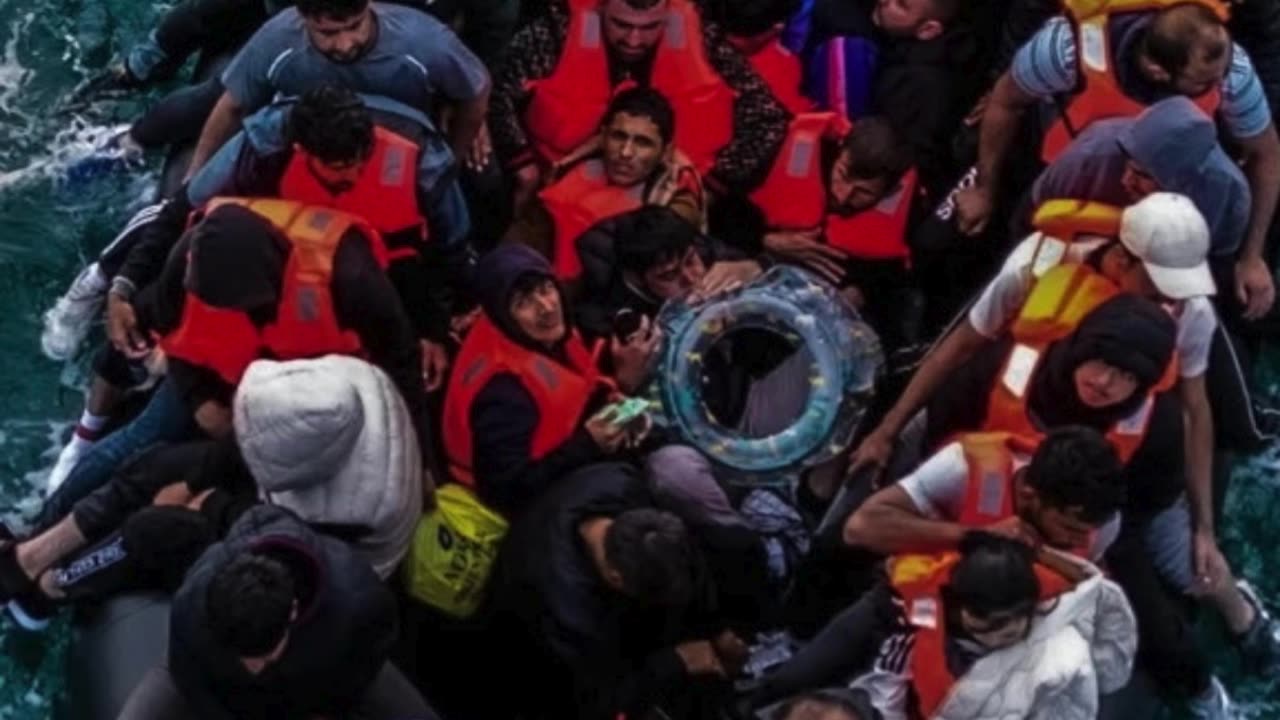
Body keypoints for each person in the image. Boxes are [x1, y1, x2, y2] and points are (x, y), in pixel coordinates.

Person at [0, 356, 423, 630]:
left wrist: (212, 506)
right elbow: (259, 439)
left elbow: (286, 529)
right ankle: (33, 553)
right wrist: (192, 479)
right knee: (160, 464)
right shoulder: (341, 385)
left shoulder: (358, 503)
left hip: (311, 538)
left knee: (156, 528)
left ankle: (50, 591)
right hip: (303, 471)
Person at [108, 85, 468, 388]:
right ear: (302, 152)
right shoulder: (261, 151)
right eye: (342, 167)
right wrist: (123, 287)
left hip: (378, 286)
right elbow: (180, 209)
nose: (358, 174)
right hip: (271, 280)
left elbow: (448, 251)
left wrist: (433, 331)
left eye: (364, 159)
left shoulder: (424, 164)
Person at [958, 0, 1279, 320]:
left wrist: (1252, 256)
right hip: (1069, 183)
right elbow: (1005, 102)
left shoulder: (1228, 68)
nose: (1217, 85)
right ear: (1158, 70)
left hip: (1167, 205)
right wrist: (985, 190)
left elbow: (1265, 153)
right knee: (1018, 283)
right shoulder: (1065, 47)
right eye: (1202, 83)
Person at [114, 504, 436, 720]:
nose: (251, 668)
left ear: (292, 611)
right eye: (241, 655)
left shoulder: (357, 604)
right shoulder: (192, 602)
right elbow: (191, 679)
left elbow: (364, 668)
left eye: (262, 656)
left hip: (326, 680)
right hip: (222, 692)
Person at [488, 462, 756, 720]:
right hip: (531, 669)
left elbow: (685, 561)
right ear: (616, 580)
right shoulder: (570, 618)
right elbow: (595, 700)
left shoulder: (618, 483)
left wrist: (715, 627)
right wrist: (676, 661)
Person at [487, 0, 789, 212]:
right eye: (621, 24)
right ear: (602, 6)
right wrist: (521, 164)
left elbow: (767, 118)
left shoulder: (701, 36)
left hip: (665, 200)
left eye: (648, 28)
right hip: (557, 184)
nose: (633, 40)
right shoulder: (552, 33)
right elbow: (498, 94)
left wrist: (714, 187)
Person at [441, 244, 659, 517]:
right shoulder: (505, 394)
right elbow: (503, 493)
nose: (546, 307)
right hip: (518, 508)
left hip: (558, 455)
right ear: (503, 315)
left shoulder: (537, 332)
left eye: (546, 288)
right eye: (523, 303)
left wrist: (615, 392)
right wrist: (587, 445)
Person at [187, 0, 490, 176]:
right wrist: (192, 179)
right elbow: (233, 106)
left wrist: (453, 156)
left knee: (486, 182)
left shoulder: (425, 42)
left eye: (354, 27)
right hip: (314, 149)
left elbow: (476, 89)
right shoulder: (277, 39)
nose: (345, 45)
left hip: (402, 150)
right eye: (328, 33)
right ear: (303, 19)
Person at [851, 533, 1134, 720]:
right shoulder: (915, 633)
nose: (1003, 631)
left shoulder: (1059, 628)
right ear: (959, 607)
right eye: (990, 621)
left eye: (1013, 618)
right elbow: (885, 695)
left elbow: (1099, 603)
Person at [753, 115, 922, 349]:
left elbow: (897, 275)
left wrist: (860, 293)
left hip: (834, 315)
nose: (843, 196)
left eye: (863, 192)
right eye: (841, 174)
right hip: (766, 279)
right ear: (840, 150)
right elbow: (729, 217)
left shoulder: (911, 208)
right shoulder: (784, 147)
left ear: (889, 191)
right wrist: (767, 241)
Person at [845, 426, 1126, 562]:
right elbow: (860, 528)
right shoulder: (960, 468)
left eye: (1088, 531)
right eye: (1067, 527)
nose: (1079, 540)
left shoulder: (1106, 523)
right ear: (1030, 495)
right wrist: (978, 537)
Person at [510, 86, 706, 281]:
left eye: (643, 142)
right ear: (603, 137)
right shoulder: (570, 172)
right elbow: (525, 236)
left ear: (665, 152)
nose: (626, 153)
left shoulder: (677, 202)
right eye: (618, 136)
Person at [1026, 96, 1250, 260]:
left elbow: (1217, 262)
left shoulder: (1228, 196)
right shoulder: (1089, 155)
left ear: (1180, 184)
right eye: (1128, 165)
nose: (1126, 180)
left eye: (1142, 175)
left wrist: (1251, 260)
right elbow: (1030, 216)